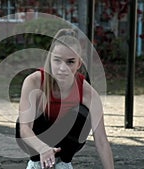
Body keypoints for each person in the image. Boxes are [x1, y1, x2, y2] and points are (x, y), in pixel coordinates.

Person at [16, 28, 114, 169]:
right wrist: (43, 148)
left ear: (78, 64)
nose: (63, 68)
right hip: (37, 140)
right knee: (23, 120)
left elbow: (101, 140)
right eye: (57, 61)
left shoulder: (87, 93)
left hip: (65, 143)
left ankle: (63, 163)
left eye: (70, 62)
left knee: (83, 115)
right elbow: (25, 128)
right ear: (50, 60)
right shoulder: (34, 82)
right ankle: (36, 163)